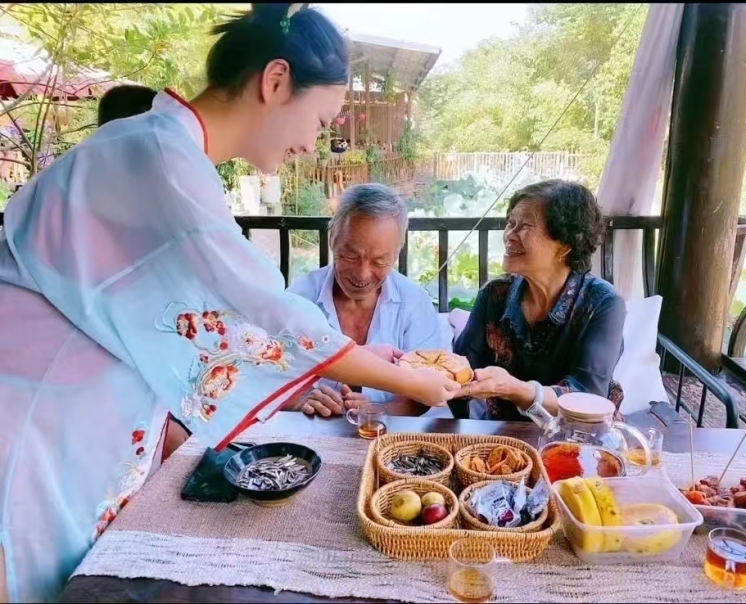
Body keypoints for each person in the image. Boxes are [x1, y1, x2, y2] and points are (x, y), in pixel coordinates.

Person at [0, 5, 460, 602]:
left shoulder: (156, 148)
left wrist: (375, 366)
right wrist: (413, 381)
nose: (311, 144)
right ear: (276, 81)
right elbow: (263, 313)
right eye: (319, 120)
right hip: (35, 407)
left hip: (62, 401)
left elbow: (194, 313)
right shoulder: (161, 159)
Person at [451, 179, 626, 421]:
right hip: (501, 436)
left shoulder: (602, 303)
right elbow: (461, 372)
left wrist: (514, 389)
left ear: (565, 243)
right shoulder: (494, 295)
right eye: (510, 223)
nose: (509, 236)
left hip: (575, 437)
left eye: (524, 226)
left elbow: (588, 396)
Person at [287, 183, 451, 417]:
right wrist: (298, 399)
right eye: (350, 255)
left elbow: (431, 390)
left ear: (396, 253)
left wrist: (378, 410)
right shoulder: (299, 298)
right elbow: (263, 377)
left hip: (397, 433)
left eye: (379, 261)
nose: (362, 274)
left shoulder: (414, 302)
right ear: (332, 238)